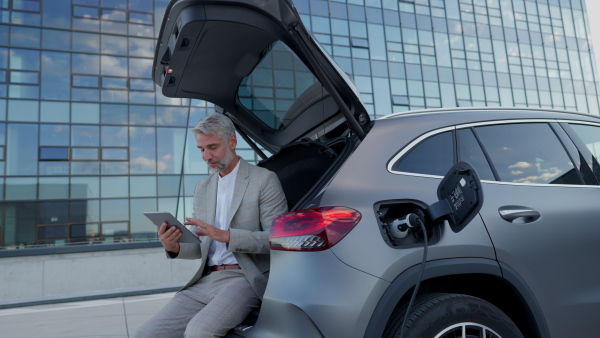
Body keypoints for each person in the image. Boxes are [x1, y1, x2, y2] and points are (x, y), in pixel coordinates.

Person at [135, 113, 287, 338]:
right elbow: (200, 246)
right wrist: (174, 246)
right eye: (201, 149)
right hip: (204, 280)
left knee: (199, 332)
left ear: (232, 142)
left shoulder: (263, 180)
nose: (207, 156)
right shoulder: (203, 187)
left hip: (243, 278)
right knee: (146, 334)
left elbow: (276, 239)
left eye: (213, 147)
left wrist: (226, 235)